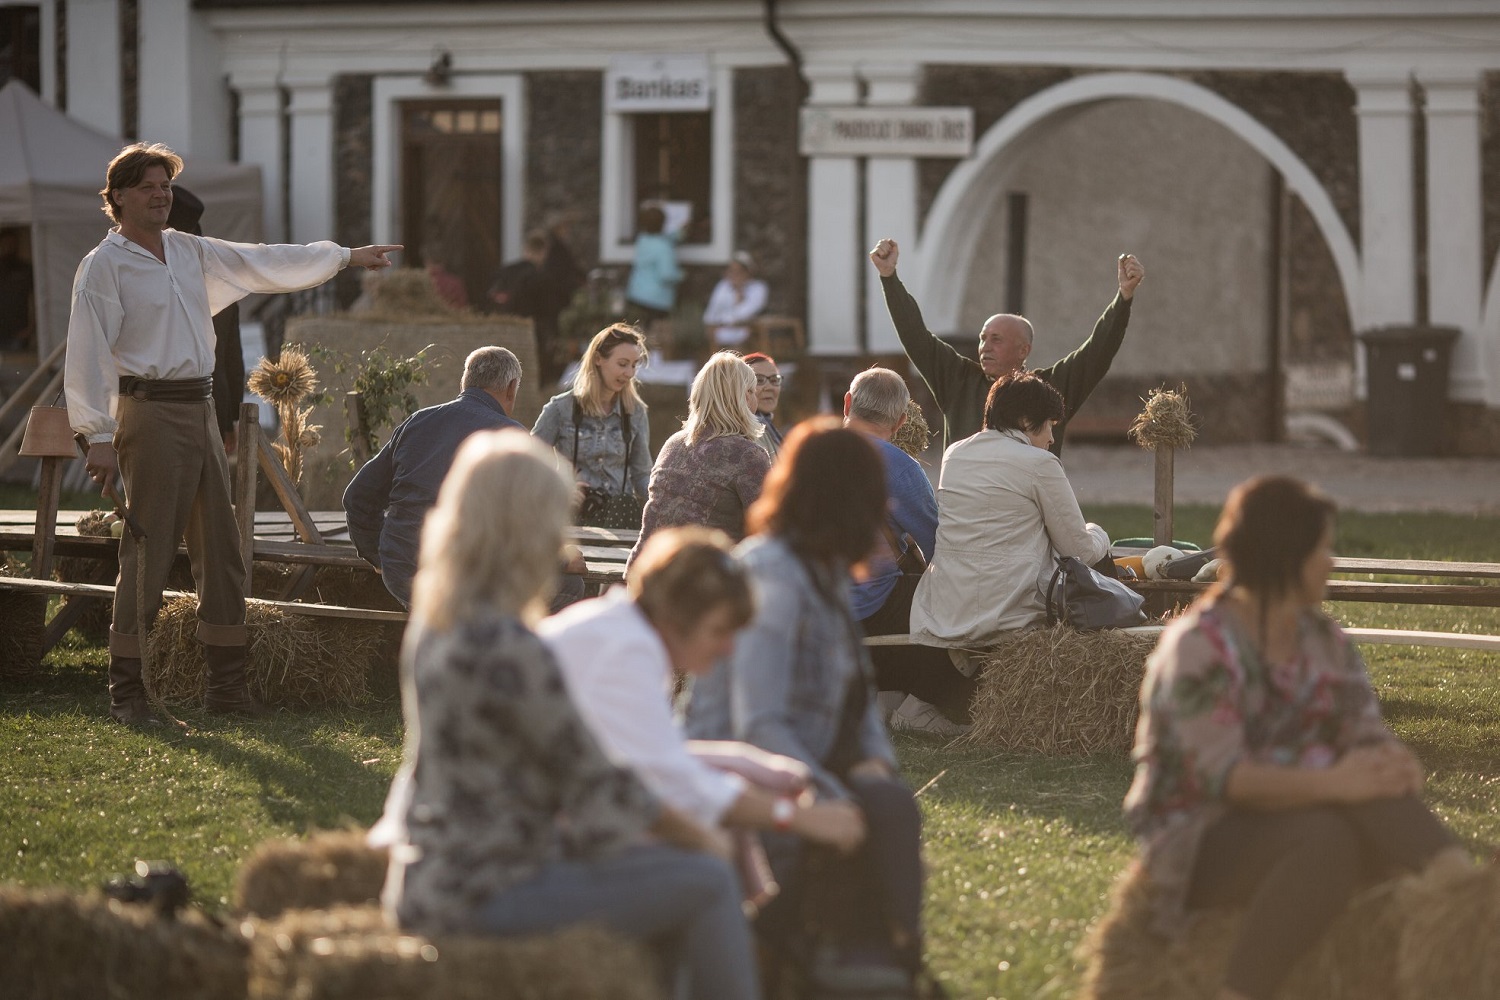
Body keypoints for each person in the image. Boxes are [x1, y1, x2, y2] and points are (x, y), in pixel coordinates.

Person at [376, 430, 759, 1000]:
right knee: (705, 880)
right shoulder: (507, 648)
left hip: (432, 876)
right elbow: (599, 785)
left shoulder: (439, 627)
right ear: (525, 531)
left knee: (674, 879)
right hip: (487, 890)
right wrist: (711, 841)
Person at [64, 141, 400, 725]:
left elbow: (264, 260)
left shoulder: (189, 251)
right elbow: (88, 353)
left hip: (198, 409)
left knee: (221, 550)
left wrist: (344, 257)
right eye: (148, 186)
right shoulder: (103, 266)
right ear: (117, 197)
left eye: (165, 186)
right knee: (147, 550)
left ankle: (227, 690)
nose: (161, 195)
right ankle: (130, 694)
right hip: (148, 413)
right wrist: (95, 433)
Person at [1123, 475, 1467, 1000]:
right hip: (1202, 839)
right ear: (1286, 555)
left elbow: (1364, 734)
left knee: (1370, 802)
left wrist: (1390, 762)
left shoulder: (1322, 640)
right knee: (1327, 836)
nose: (1330, 561)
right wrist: (1340, 783)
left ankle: (1469, 901)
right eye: (1321, 548)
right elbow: (1225, 779)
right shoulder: (1199, 647)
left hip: (1306, 810)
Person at [684, 418, 928, 993]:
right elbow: (757, 724)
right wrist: (831, 795)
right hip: (743, 774)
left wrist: (873, 760)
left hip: (803, 763)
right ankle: (826, 961)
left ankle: (892, 959)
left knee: (891, 803)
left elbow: (858, 697)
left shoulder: (823, 575)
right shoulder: (771, 578)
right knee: (865, 816)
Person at [541, 527, 866, 859]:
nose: (729, 649)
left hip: (548, 814)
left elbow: (657, 757)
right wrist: (795, 817)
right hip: (533, 840)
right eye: (719, 631)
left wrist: (748, 764)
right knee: (704, 875)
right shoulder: (627, 651)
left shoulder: (623, 632)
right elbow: (667, 781)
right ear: (675, 616)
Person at [868, 237, 1145, 454]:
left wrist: (1124, 298)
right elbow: (915, 334)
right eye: (982, 338)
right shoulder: (958, 381)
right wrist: (889, 278)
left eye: (996, 339)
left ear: (1024, 350)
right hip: (967, 514)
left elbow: (1098, 350)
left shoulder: (1051, 389)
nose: (984, 347)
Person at [910, 372, 1111, 648]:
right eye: (1050, 425)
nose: (1052, 438)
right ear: (1027, 422)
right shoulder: (1039, 463)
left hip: (943, 612)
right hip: (1008, 617)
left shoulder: (954, 454)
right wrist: (1099, 533)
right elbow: (1079, 552)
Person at [344, 346, 542, 608]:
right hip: (468, 580)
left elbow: (357, 497)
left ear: (465, 382)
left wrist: (380, 556)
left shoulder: (417, 421)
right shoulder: (510, 435)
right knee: (570, 587)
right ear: (512, 387)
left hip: (404, 573)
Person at [843, 368, 974, 736]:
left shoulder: (804, 452)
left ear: (848, 403)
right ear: (901, 421)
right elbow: (940, 547)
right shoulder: (899, 467)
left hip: (812, 602)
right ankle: (922, 703)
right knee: (967, 597)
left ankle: (883, 695)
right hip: (867, 605)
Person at [625, 352, 770, 573]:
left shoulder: (673, 443)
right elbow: (767, 527)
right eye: (750, 391)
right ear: (739, 399)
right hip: (701, 581)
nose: (755, 399)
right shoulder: (747, 455)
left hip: (645, 570)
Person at [532, 323, 653, 516]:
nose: (629, 373)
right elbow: (529, 462)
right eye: (622, 364)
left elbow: (642, 474)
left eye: (634, 365)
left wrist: (663, 502)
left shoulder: (636, 412)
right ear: (598, 359)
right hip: (569, 515)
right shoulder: (560, 409)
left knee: (625, 505)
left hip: (619, 519)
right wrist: (559, 488)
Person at [164, 186, 243, 449]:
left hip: (178, 403)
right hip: (216, 401)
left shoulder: (168, 276)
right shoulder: (220, 277)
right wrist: (232, 417)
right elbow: (233, 359)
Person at [625, 205, 682, 322]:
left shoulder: (642, 240)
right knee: (654, 336)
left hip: (637, 294)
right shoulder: (664, 247)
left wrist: (678, 234)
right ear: (663, 223)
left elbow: (661, 239)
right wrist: (682, 275)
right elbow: (667, 275)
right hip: (656, 300)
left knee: (638, 332)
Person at [702, 251, 768, 348]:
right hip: (721, 330)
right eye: (731, 270)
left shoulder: (758, 288)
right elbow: (712, 310)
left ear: (747, 272)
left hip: (744, 330)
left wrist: (739, 296)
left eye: (739, 271)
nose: (734, 275)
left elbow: (747, 312)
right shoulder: (723, 286)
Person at [743, 352, 785, 460]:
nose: (770, 387)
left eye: (774, 380)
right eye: (759, 380)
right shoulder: (742, 432)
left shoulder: (769, 429)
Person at [0, 228, 34, 351]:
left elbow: (37, 299)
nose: (9, 247)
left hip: (19, 330)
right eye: (5, 244)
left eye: (11, 244)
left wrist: (30, 328)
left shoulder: (25, 270)